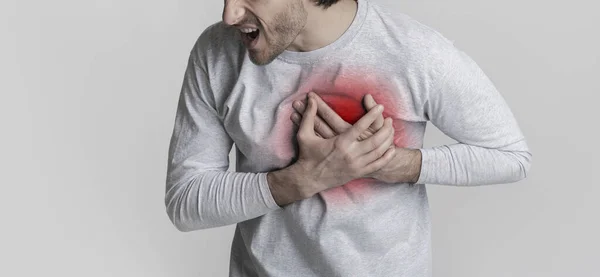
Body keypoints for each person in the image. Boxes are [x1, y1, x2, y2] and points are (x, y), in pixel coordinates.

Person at [164, 0, 533, 276]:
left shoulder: (413, 51)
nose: (229, 15)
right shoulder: (215, 52)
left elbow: (510, 156)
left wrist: (394, 164)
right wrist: (306, 178)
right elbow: (185, 201)